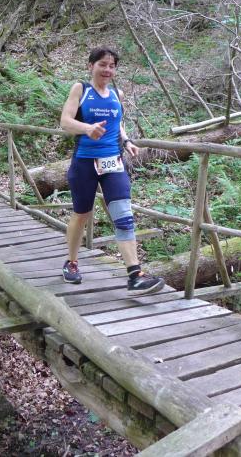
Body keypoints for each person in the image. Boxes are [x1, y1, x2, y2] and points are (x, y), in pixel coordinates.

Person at [59, 47, 165, 296]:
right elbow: (65, 122)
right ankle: (71, 262)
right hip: (84, 162)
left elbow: (117, 123)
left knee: (123, 214)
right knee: (82, 214)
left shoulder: (117, 94)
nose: (107, 70)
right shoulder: (81, 89)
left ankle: (135, 275)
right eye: (102, 64)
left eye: (112, 66)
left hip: (113, 163)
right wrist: (87, 128)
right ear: (91, 66)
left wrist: (126, 141)